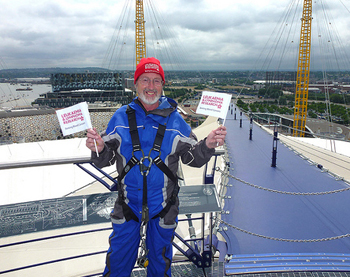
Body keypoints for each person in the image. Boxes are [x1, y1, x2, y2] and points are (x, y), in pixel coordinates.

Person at [86, 57, 227, 277]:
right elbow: (106, 160)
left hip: (163, 207)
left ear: (162, 85)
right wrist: (98, 148)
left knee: (160, 264)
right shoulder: (120, 117)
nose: (151, 87)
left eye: (156, 81)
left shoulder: (176, 121)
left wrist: (207, 145)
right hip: (127, 205)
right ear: (136, 84)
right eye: (145, 80)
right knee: (118, 262)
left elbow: (192, 159)